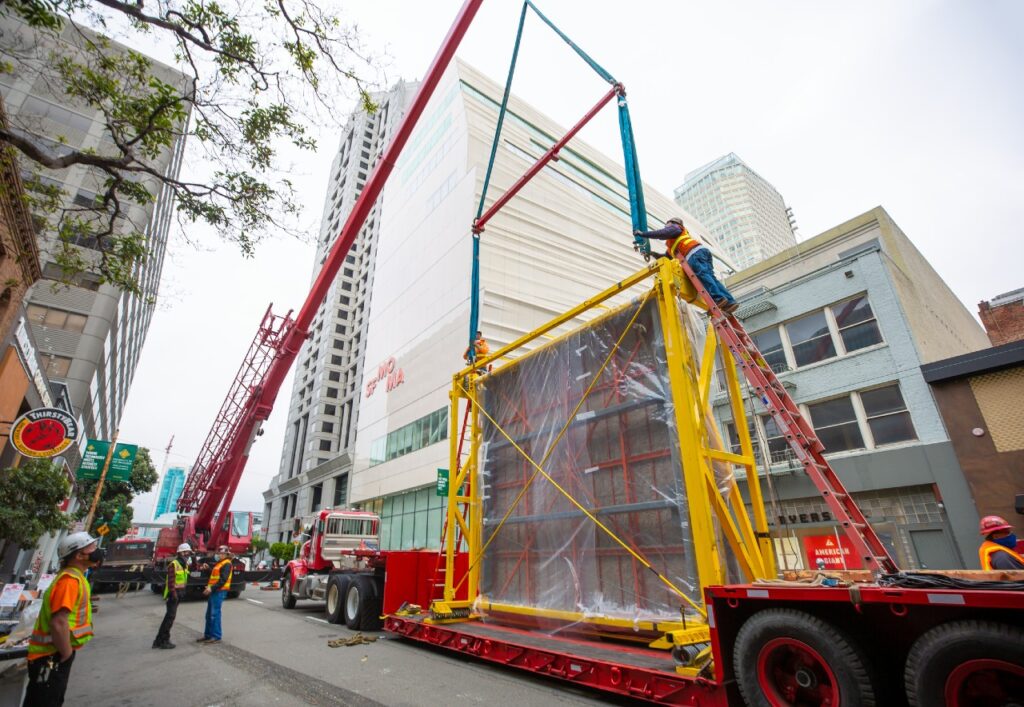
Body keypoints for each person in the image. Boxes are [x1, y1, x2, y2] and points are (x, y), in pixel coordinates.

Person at [24, 532, 103, 707]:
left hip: (53, 652)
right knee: (45, 700)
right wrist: (66, 654)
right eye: (92, 548)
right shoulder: (69, 581)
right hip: (51, 655)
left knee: (49, 698)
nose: (97, 551)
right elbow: (58, 622)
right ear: (79, 555)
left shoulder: (75, 577)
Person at [634, 217, 738, 313]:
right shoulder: (674, 244)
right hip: (700, 253)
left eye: (667, 224)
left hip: (694, 254)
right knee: (709, 277)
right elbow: (666, 258)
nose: (666, 226)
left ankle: (719, 298)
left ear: (673, 223)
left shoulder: (676, 228)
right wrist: (652, 253)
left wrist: (643, 234)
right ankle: (729, 302)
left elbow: (662, 233)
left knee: (703, 275)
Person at [153, 543, 192, 649]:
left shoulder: (184, 564)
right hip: (173, 595)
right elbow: (171, 582)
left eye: (189, 552)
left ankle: (158, 640)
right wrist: (174, 594)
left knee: (169, 618)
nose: (188, 554)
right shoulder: (174, 564)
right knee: (169, 618)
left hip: (178, 594)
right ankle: (163, 641)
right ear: (181, 553)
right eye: (187, 552)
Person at [199, 546, 233, 644]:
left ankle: (216, 636)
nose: (219, 555)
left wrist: (211, 588)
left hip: (219, 591)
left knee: (214, 614)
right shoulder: (220, 563)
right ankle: (208, 635)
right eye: (219, 553)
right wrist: (208, 569)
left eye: (221, 554)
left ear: (226, 555)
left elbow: (223, 580)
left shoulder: (227, 564)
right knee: (209, 614)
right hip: (215, 591)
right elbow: (215, 576)